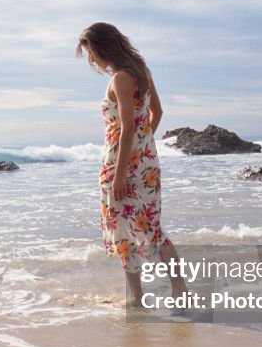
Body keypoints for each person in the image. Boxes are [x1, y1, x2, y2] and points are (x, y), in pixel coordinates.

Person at [77, 22, 188, 306]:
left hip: (120, 164)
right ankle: (179, 289)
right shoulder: (142, 72)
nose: (93, 60)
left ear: (102, 48)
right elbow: (157, 112)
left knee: (123, 229)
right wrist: (143, 145)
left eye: (92, 54)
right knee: (151, 227)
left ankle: (137, 296)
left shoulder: (120, 78)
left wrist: (119, 175)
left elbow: (126, 128)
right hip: (146, 163)